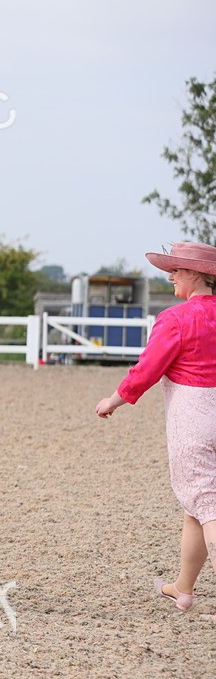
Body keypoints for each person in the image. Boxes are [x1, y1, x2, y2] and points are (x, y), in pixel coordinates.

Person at [95, 241, 216, 617]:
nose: (170, 277)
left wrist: (115, 399)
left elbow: (148, 368)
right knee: (196, 506)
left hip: (193, 417)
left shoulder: (177, 319)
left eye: (176, 271)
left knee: (207, 504)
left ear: (195, 274)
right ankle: (183, 587)